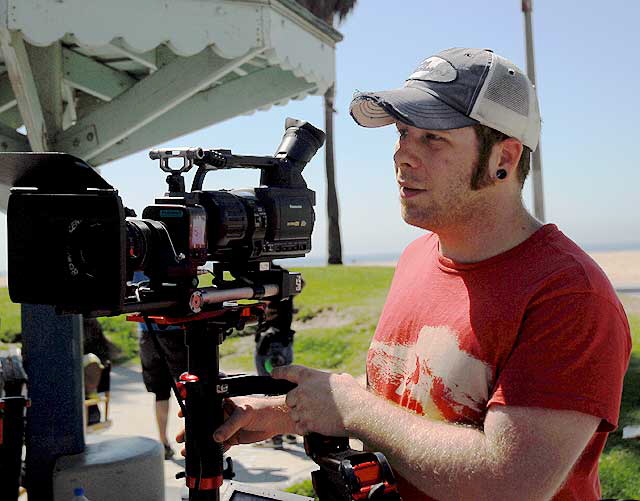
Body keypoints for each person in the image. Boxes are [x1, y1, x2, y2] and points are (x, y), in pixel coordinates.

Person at [179, 48, 631, 499]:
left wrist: (352, 409)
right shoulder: (419, 256)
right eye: (402, 132)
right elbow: (408, 397)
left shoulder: (570, 295)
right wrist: (283, 412)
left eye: (432, 139)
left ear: (505, 158)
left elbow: (508, 482)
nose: (402, 156)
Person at [136, 272, 188, 460]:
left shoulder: (135, 264)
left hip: (146, 332)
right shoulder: (169, 260)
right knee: (188, 387)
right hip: (172, 330)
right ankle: (194, 439)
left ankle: (163, 442)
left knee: (160, 392)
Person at [252, 296, 298, 449]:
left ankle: (275, 436)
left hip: (270, 345)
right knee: (284, 389)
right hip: (283, 342)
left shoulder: (269, 285)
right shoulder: (283, 283)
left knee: (271, 391)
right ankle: (289, 431)